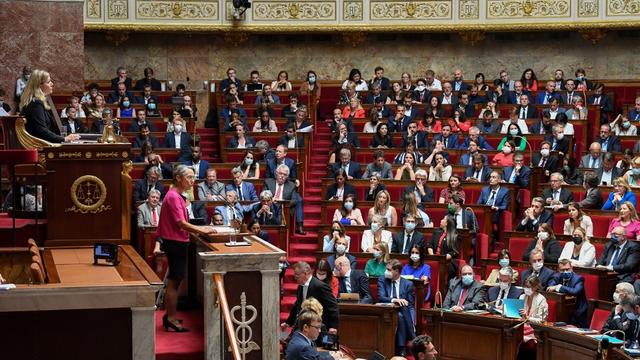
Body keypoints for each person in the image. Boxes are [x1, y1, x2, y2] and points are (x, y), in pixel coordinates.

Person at [158, 165, 216, 332]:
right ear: (178, 178)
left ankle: (170, 315)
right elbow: (180, 223)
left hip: (177, 241)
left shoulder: (177, 195)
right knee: (174, 281)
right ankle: (170, 318)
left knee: (176, 280)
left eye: (193, 177)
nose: (193, 180)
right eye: (189, 177)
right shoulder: (173, 197)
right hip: (174, 242)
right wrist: (202, 229)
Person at [283, 261, 339, 347]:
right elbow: (297, 304)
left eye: (297, 275)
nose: (295, 277)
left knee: (327, 350)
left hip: (321, 327)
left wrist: (333, 326)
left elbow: (333, 307)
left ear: (305, 273)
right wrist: (288, 322)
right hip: (306, 327)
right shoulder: (300, 286)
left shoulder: (320, 286)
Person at [19, 69, 80, 143]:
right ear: (39, 85)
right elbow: (41, 130)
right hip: (40, 148)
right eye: (48, 82)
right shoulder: (36, 103)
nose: (52, 84)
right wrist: (64, 139)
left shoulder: (38, 101)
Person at [377, 259, 416, 356]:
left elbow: (410, 306)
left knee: (401, 313)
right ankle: (412, 338)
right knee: (401, 308)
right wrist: (395, 300)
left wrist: (413, 322)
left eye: (389, 270)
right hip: (386, 310)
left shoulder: (408, 284)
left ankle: (402, 347)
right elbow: (381, 297)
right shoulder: (382, 279)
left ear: (397, 271)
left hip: (402, 313)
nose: (386, 272)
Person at [546, 259, 588, 328]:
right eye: (562, 270)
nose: (565, 272)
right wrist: (554, 287)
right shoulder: (557, 276)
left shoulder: (579, 279)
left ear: (572, 268)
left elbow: (575, 291)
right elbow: (550, 287)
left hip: (577, 312)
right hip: (563, 310)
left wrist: (559, 287)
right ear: (559, 270)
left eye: (567, 269)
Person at [265, 164, 306, 234]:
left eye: (285, 175)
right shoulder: (268, 182)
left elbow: (294, 200)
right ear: (276, 173)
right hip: (270, 205)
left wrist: (283, 202)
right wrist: (271, 200)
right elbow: (264, 194)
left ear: (287, 176)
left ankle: (280, 233)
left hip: (284, 208)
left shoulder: (291, 185)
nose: (282, 176)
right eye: (280, 173)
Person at [518, 276, 548, 359]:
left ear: (535, 287)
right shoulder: (522, 297)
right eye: (525, 286)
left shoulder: (541, 299)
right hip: (522, 327)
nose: (525, 289)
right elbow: (518, 315)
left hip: (535, 329)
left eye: (528, 287)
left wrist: (527, 317)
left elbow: (542, 321)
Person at [428, 215, 461, 280]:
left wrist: (442, 258)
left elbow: (454, 252)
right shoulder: (436, 232)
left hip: (447, 261)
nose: (441, 220)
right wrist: (432, 257)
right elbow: (430, 245)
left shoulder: (455, 236)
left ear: (447, 223)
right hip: (433, 258)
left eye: (443, 219)